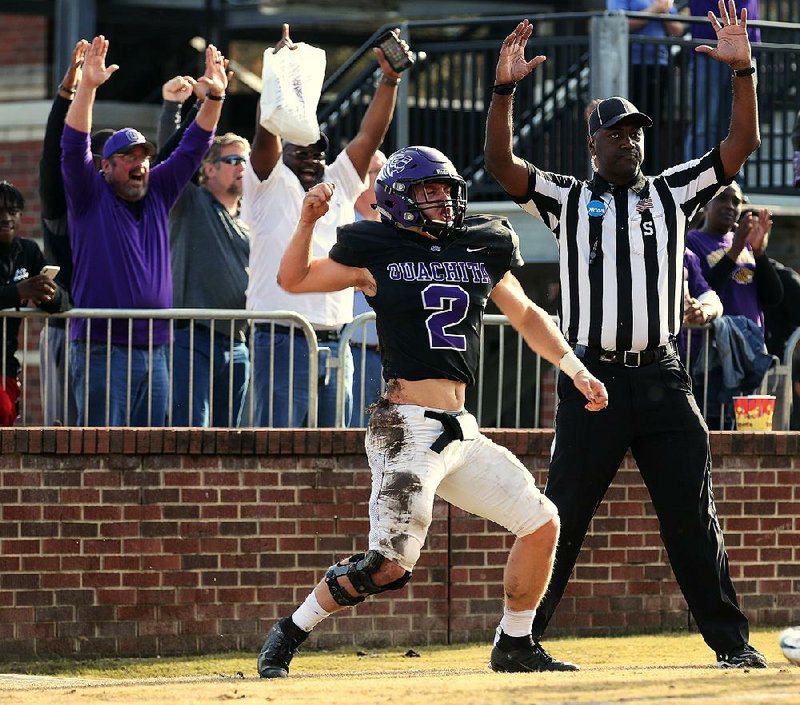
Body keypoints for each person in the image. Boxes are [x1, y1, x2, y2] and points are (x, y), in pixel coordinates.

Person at [484, 8, 768, 669]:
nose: (630, 142)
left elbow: (741, 144)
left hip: (663, 374)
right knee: (563, 514)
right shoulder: (563, 196)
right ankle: (519, 642)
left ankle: (731, 644)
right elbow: (500, 162)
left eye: (637, 132)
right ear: (593, 144)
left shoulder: (672, 193)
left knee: (692, 517)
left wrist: (744, 71)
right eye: (616, 133)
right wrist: (504, 91)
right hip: (594, 380)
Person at [256, 146, 609, 677]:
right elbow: (295, 280)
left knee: (541, 523)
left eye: (446, 189)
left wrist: (574, 367)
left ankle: (514, 643)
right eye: (428, 191)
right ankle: (290, 631)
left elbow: (527, 312)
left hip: (460, 430)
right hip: (404, 426)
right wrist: (308, 220)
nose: (442, 200)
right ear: (399, 199)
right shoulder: (374, 248)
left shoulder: (480, 245)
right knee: (389, 567)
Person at [242, 24, 410, 428]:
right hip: (281, 339)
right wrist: (279, 75)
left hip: (337, 342)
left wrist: (389, 79)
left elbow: (371, 135)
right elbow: (266, 135)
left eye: (319, 148)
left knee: (338, 451)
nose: (310, 155)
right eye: (299, 147)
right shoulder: (267, 183)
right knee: (275, 451)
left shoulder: (338, 184)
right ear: (286, 150)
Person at [61, 36, 227, 426]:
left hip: (155, 351)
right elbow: (73, 146)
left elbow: (192, 147)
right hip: (101, 349)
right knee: (101, 457)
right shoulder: (90, 196)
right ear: (105, 166)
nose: (140, 164)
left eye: (145, 158)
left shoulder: (157, 192)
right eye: (128, 157)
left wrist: (215, 99)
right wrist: (86, 86)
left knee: (150, 460)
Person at [158, 76, 252, 427]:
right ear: (207, 169)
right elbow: (174, 157)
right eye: (233, 160)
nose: (243, 168)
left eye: (246, 161)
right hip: (190, 337)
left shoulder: (249, 218)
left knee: (232, 442)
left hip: (238, 341)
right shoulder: (191, 203)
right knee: (190, 435)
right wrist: (175, 107)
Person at [0, 181, 70, 425]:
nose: (6, 217)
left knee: (7, 423)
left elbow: (63, 301)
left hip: (6, 362)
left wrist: (51, 296)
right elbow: (19, 292)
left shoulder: (27, 251)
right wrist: (17, 292)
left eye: (12, 211)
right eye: (0, 212)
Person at [606, 1, 685, 171]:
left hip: (660, 65)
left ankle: (649, 175)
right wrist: (655, 10)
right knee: (629, 123)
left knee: (654, 123)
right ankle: (630, 172)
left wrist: (663, 11)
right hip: (630, 66)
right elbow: (618, 25)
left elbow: (678, 29)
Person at [684, 1, 761, 161]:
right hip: (709, 51)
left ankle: (734, 181)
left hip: (746, 52)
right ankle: (695, 180)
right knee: (704, 125)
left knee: (742, 124)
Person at [350, 149, 387, 425]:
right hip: (354, 352)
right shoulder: (342, 225)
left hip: (392, 356)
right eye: (376, 172)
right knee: (354, 438)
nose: (383, 178)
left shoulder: (395, 228)